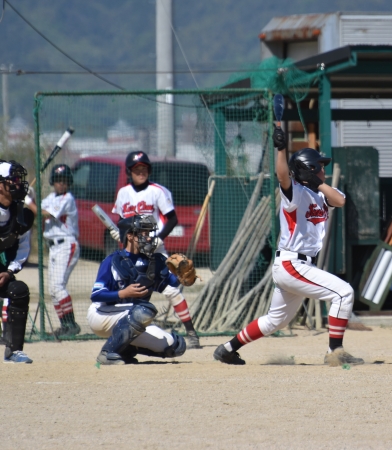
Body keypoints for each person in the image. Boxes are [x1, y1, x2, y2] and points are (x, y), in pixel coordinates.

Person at [213, 126, 363, 366]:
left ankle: (228, 349)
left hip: (298, 266)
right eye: (319, 167)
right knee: (343, 292)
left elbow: (341, 200)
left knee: (276, 321)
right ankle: (335, 351)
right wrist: (281, 149)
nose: (323, 170)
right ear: (308, 169)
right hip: (292, 263)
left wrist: (316, 181)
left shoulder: (321, 194)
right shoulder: (296, 193)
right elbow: (283, 176)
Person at [111, 151, 200, 349]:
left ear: (149, 170)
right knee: (132, 295)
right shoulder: (123, 193)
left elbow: (173, 219)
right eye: (137, 169)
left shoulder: (157, 191)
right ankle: (128, 337)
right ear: (129, 172)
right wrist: (120, 234)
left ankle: (191, 333)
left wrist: (158, 238)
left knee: (172, 291)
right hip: (132, 254)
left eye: (144, 168)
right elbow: (121, 220)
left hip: (154, 252)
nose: (141, 172)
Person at [88, 215, 187, 365]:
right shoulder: (112, 261)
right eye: (144, 234)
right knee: (144, 310)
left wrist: (181, 276)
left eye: (149, 234)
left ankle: (124, 350)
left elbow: (171, 283)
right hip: (102, 315)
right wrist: (123, 293)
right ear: (130, 236)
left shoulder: (151, 262)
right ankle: (107, 353)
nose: (148, 238)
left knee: (174, 345)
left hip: (132, 317)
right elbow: (96, 295)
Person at [30, 164, 81, 337]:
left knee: (58, 286)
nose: (61, 183)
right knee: (53, 290)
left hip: (66, 244)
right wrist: (29, 195)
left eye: (64, 180)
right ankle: (65, 325)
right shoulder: (51, 197)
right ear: (53, 181)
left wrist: (28, 202)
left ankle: (72, 325)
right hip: (53, 247)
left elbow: (45, 214)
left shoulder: (68, 198)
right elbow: (37, 209)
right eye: (58, 180)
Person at [0, 161, 35, 363]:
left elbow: (22, 250)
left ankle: (14, 351)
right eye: (12, 179)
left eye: (19, 179)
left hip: (2, 273)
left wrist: (9, 272)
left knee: (19, 290)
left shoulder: (21, 215)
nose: (18, 184)